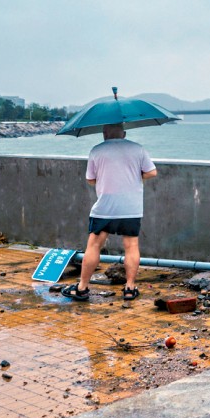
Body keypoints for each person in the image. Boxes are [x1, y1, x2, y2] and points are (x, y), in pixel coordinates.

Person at [62, 123, 157, 301]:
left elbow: (90, 180)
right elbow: (152, 172)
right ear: (124, 133)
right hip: (131, 207)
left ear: (104, 133)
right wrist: (134, 176)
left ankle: (82, 288)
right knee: (131, 246)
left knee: (94, 246)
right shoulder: (138, 148)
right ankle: (129, 288)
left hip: (105, 208)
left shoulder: (97, 150)